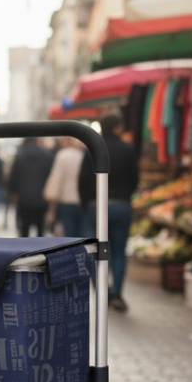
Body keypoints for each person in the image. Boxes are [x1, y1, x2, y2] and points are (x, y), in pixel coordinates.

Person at [79, 113, 139, 311]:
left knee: (94, 251)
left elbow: (83, 180)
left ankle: (101, 290)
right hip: (121, 205)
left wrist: (87, 203)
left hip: (96, 206)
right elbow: (134, 181)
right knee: (119, 252)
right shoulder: (128, 149)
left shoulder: (92, 150)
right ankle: (117, 294)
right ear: (118, 128)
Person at [7, 137, 53, 238]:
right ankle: (40, 249)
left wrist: (13, 193)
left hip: (23, 197)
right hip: (42, 197)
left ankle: (24, 249)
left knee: (24, 227)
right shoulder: (47, 155)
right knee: (40, 227)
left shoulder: (19, 156)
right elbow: (50, 176)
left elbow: (13, 176)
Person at [44, 136, 86, 237]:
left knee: (69, 234)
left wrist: (52, 204)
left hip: (65, 200)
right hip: (84, 201)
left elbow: (56, 180)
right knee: (84, 235)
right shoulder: (85, 155)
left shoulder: (63, 155)